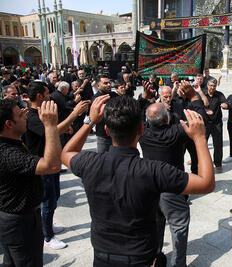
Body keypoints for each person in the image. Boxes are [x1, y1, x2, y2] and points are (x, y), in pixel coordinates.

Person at [61, 95, 215, 267]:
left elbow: (66, 153)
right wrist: (200, 138)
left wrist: (89, 121)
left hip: (102, 256)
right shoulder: (153, 171)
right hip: (140, 258)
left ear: (106, 130)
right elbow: (206, 183)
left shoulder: (90, 162)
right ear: (141, 130)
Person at [25, 80, 89, 250]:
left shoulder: (41, 113)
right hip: (41, 164)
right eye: (47, 93)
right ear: (39, 96)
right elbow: (52, 131)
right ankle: (48, 236)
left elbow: (54, 129)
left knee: (54, 197)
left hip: (52, 162)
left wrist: (64, 126)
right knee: (48, 200)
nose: (50, 96)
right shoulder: (31, 117)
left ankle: (48, 224)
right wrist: (74, 115)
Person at [140, 88, 200, 266]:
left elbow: (135, 113)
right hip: (173, 187)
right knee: (179, 227)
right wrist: (194, 98)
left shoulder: (143, 133)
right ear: (167, 118)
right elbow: (197, 120)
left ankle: (155, 257)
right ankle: (178, 263)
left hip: (150, 187)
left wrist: (144, 98)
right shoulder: (175, 132)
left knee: (155, 224)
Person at [0, 98, 61, 267]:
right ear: (9, 124)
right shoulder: (7, 153)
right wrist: (50, 125)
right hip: (20, 223)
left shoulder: (12, 141)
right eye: (20, 115)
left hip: (17, 219)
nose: (25, 116)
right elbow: (52, 165)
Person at [203, 79, 228, 172]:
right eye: (211, 85)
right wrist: (205, 111)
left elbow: (225, 102)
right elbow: (196, 106)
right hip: (205, 123)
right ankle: (199, 161)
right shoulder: (202, 94)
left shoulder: (219, 94)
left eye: (214, 86)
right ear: (207, 85)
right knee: (202, 144)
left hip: (216, 123)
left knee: (218, 144)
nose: (212, 88)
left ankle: (218, 163)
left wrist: (225, 105)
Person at [91, 74, 119, 153]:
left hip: (117, 135)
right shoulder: (96, 99)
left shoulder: (114, 95)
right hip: (103, 136)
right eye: (105, 83)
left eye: (109, 83)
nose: (109, 85)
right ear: (98, 85)